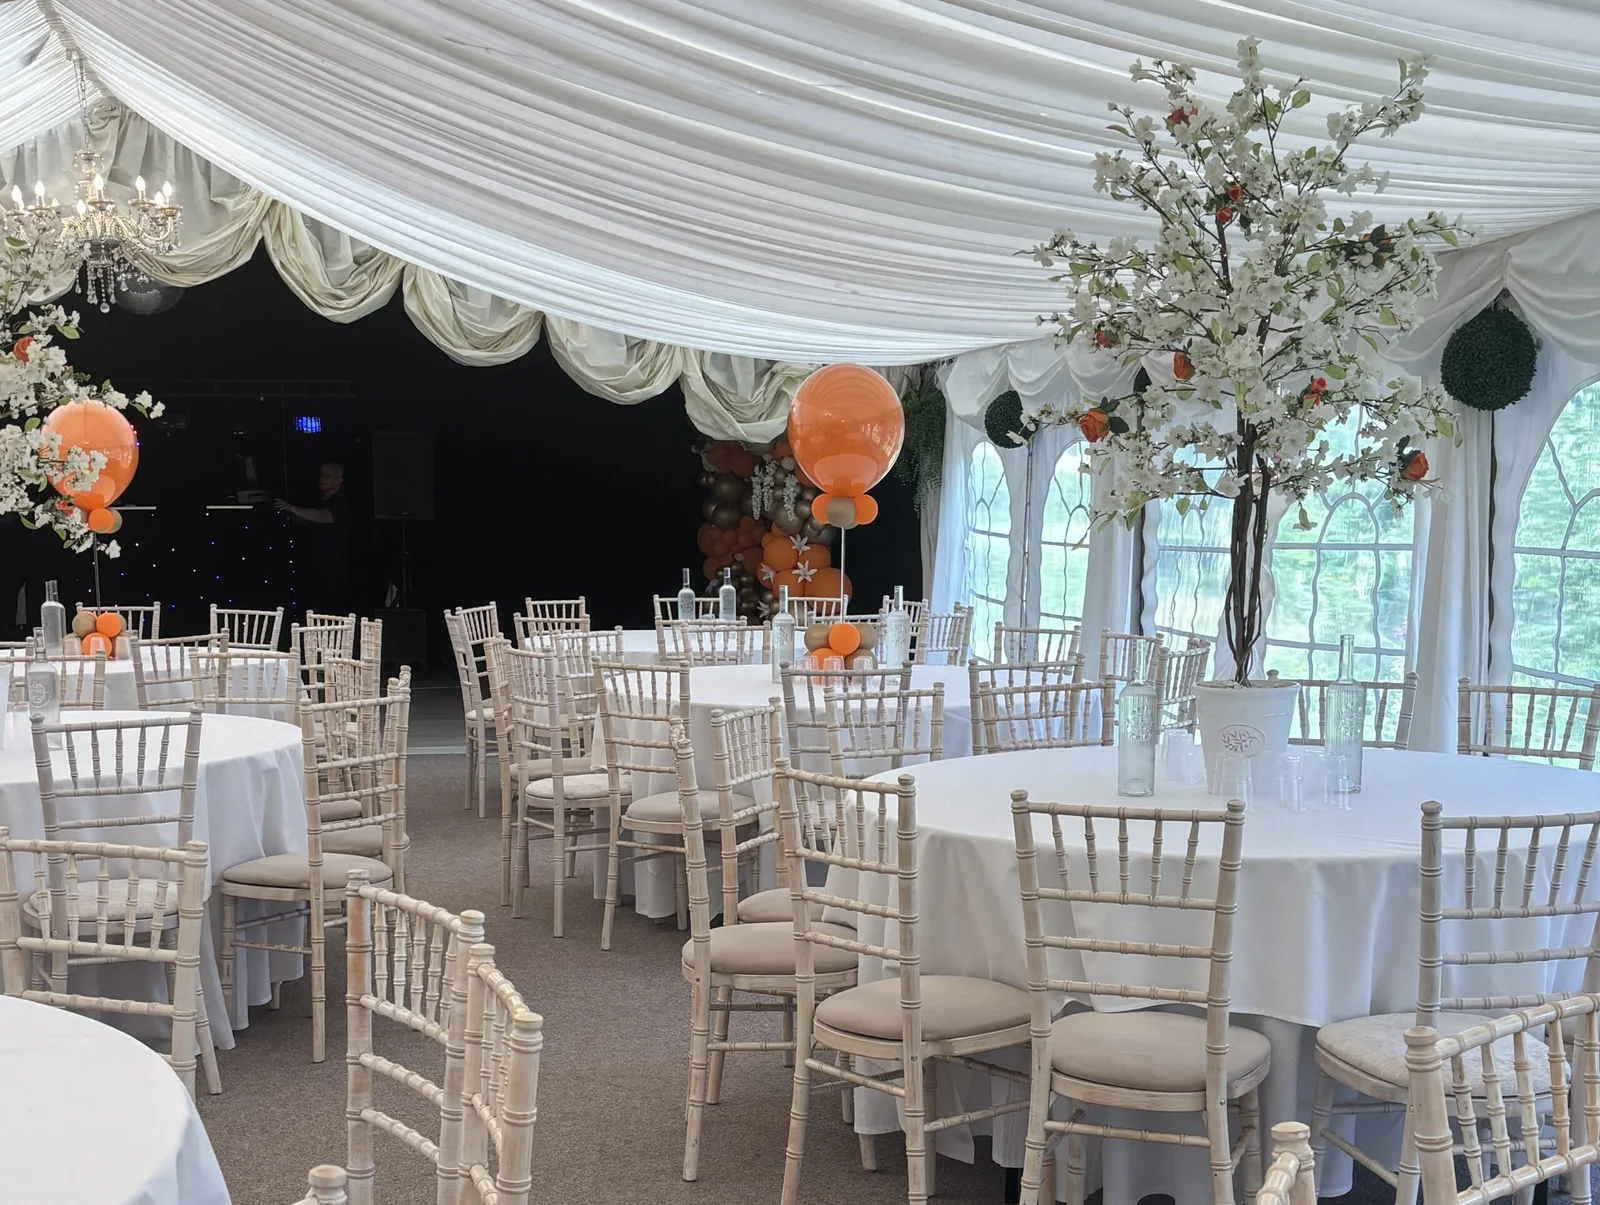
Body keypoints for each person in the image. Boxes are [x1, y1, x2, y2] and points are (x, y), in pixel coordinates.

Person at [275, 462, 352, 615]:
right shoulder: (320, 500)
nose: (323, 479)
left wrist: (291, 508)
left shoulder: (341, 502)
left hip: (334, 567)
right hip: (315, 564)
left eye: (328, 476)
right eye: (322, 475)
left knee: (332, 610)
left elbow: (323, 517)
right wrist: (288, 514)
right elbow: (309, 522)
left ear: (339, 480)